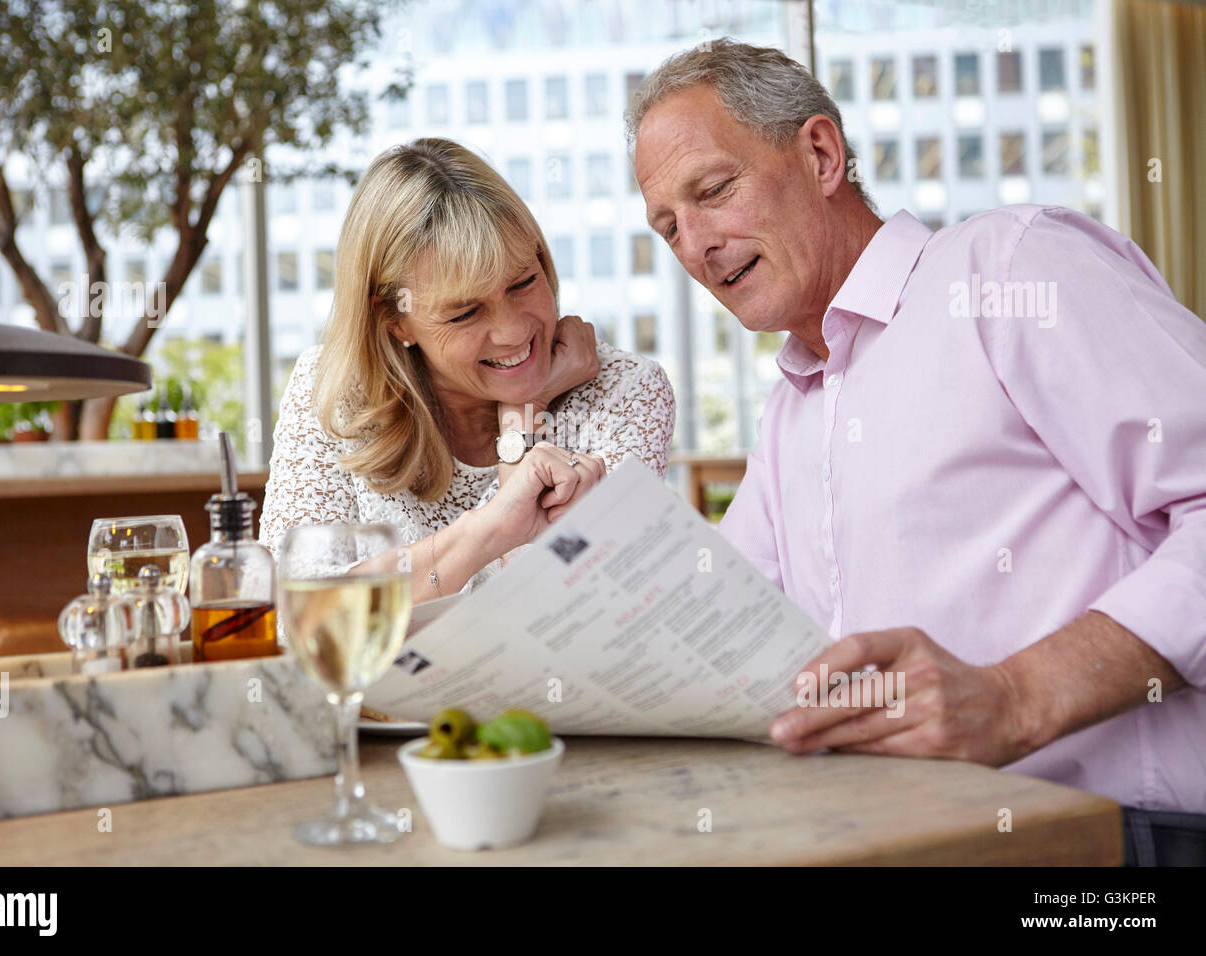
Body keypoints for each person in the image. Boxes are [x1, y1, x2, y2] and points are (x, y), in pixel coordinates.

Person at [628, 39, 1206, 864]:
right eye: (667, 227)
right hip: (897, 843)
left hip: (1111, 849)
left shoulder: (1008, 268)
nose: (695, 245)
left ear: (821, 154)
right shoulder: (793, 410)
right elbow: (707, 638)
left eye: (713, 191)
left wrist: (1015, 698)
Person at [260, 138, 676, 604]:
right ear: (393, 320)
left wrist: (524, 408)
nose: (514, 332)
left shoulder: (625, 390)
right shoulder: (334, 391)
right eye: (464, 314)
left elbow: (563, 607)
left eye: (523, 283)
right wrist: (491, 527)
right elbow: (294, 607)